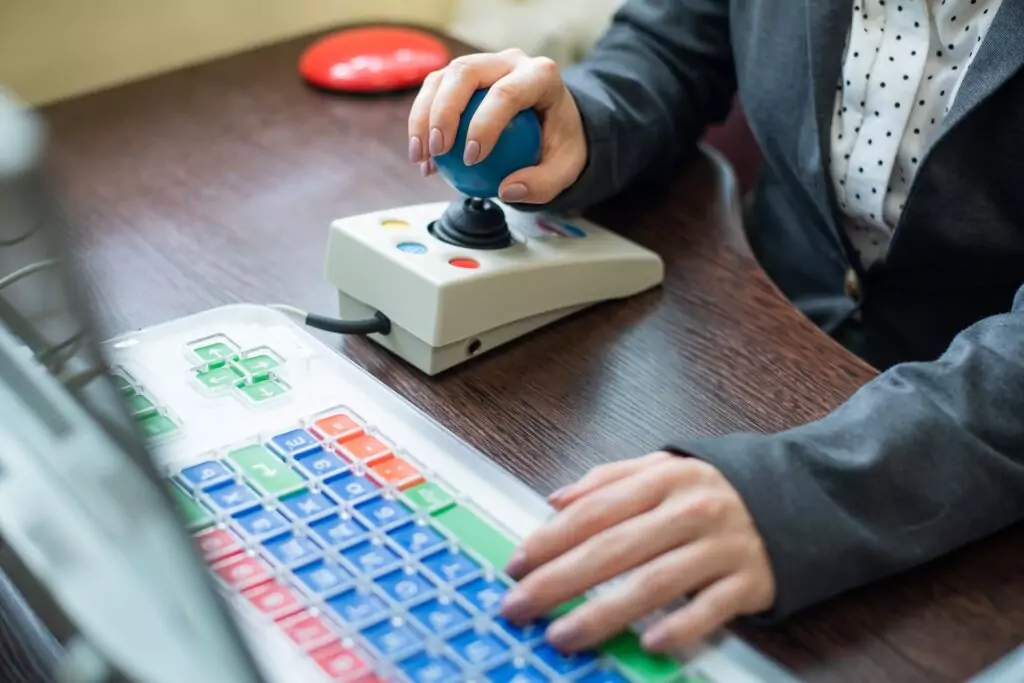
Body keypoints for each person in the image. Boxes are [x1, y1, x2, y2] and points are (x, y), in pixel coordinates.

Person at [407, 0, 1024, 657]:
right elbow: (673, 45)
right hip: (755, 320)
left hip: (968, 445)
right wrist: (584, 119)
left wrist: (807, 494)